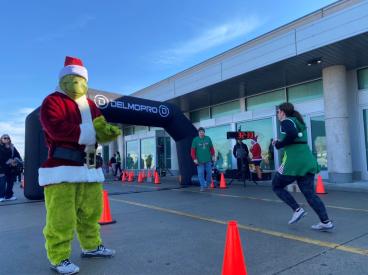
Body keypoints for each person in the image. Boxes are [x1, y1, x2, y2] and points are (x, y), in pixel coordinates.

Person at [38, 56, 121, 274]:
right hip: (62, 167)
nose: (76, 84)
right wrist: (90, 132)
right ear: (63, 79)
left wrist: (106, 132)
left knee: (91, 212)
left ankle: (92, 246)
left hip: (90, 166)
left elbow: (100, 126)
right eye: (71, 79)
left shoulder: (91, 104)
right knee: (61, 216)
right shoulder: (52, 101)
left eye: (80, 79)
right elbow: (55, 128)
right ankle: (58, 257)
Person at [272, 102, 334, 231]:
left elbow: (292, 134)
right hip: (307, 162)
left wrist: (279, 144)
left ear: (282, 112)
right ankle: (326, 222)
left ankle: (297, 209)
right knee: (310, 194)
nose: (277, 114)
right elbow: (295, 136)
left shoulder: (286, 121)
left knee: (276, 186)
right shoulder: (298, 121)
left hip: (293, 163)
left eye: (278, 112)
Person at [191, 127, 216, 191]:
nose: (201, 133)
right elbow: (192, 151)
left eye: (202, 132)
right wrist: (194, 159)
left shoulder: (208, 138)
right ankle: (202, 186)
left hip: (208, 160)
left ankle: (207, 184)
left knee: (209, 173)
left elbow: (211, 148)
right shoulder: (195, 140)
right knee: (200, 174)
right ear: (198, 133)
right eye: (200, 132)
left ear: (204, 132)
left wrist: (213, 156)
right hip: (199, 161)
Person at [0, 134, 22, 201]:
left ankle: (9, 196)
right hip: (2, 168)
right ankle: (1, 196)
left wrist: (15, 160)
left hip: (11, 168)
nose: (6, 139)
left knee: (10, 182)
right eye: (5, 138)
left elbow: (17, 155)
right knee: (2, 182)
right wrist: (8, 161)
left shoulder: (12, 147)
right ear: (1, 139)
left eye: (8, 138)